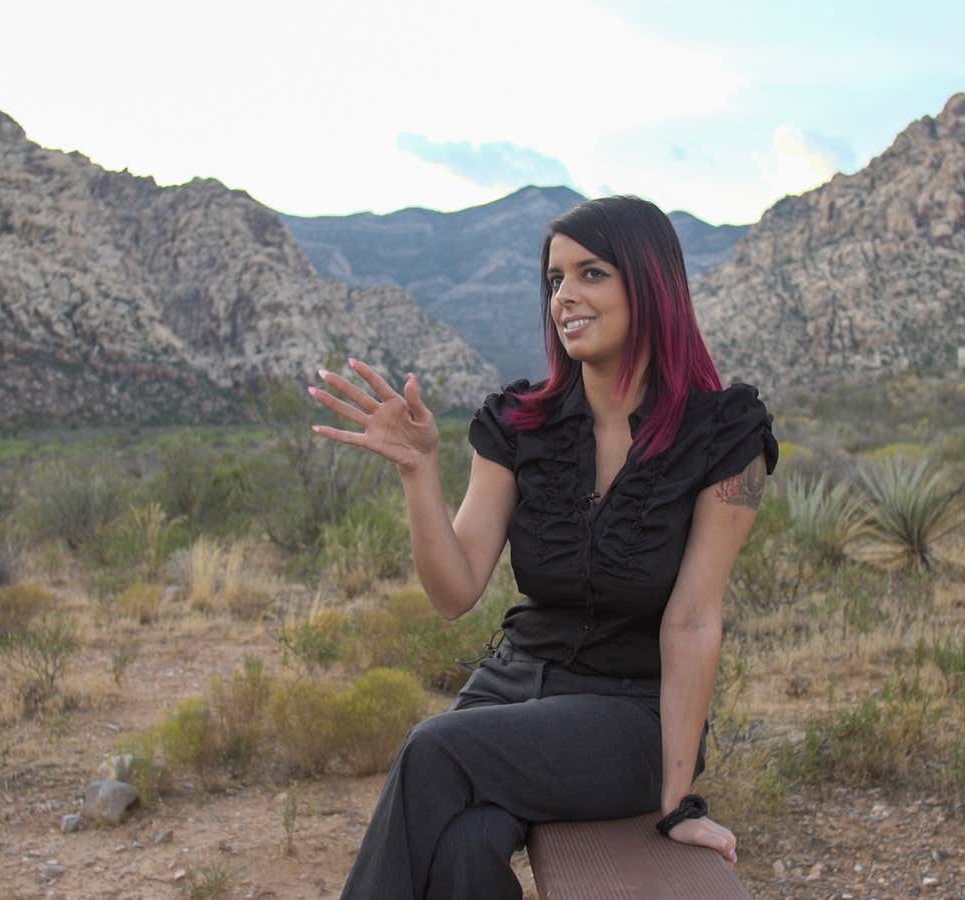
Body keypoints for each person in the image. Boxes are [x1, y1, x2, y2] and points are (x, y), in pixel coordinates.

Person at [306, 195, 779, 899]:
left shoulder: (723, 434)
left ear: (650, 283)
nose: (565, 297)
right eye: (554, 279)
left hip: (630, 716)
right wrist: (419, 473)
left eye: (591, 274)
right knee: (464, 851)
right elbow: (455, 590)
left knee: (432, 748)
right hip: (508, 690)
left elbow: (693, 619)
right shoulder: (521, 421)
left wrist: (678, 803)